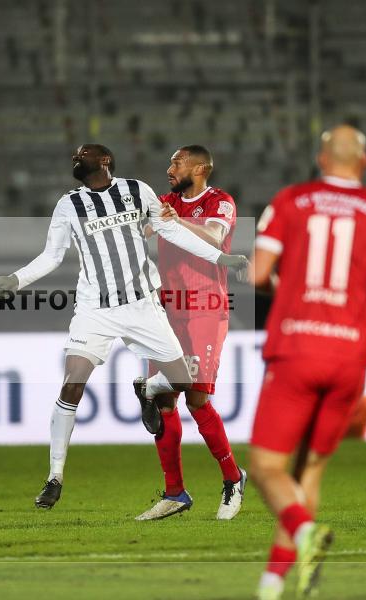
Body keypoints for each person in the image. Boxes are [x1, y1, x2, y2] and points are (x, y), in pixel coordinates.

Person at [0, 144, 247, 510]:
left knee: (188, 384)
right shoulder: (69, 204)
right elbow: (52, 254)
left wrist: (222, 257)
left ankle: (214, 471)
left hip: (144, 305)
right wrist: (16, 279)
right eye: (74, 156)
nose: (75, 160)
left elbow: (172, 231)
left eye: (82, 156)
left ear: (104, 161)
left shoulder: (137, 191)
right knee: (73, 382)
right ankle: (55, 477)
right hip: (95, 308)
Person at [247, 125, 366, 599]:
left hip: (297, 348)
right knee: (309, 471)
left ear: (322, 160)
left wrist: (291, 292)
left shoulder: (292, 200)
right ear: (365, 163)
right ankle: (274, 585)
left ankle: (303, 533)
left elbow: (259, 272)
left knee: (265, 468)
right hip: (348, 355)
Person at [135, 145, 247, 521]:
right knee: (165, 405)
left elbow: (214, 238)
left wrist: (174, 221)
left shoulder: (220, 202)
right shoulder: (165, 200)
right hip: (166, 311)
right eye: (169, 161)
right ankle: (175, 493)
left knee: (195, 399)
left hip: (204, 308)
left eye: (177, 162)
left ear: (199, 168)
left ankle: (233, 479)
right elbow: (143, 229)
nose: (169, 168)